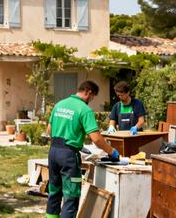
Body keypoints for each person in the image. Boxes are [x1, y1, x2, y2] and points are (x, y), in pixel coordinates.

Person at [46, 81, 120, 218]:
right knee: (71, 196)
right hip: (68, 156)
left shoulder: (59, 105)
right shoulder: (84, 109)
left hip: (53, 151)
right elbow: (96, 139)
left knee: (54, 192)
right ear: (88, 92)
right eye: (92, 98)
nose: (91, 101)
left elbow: (49, 130)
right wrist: (112, 152)